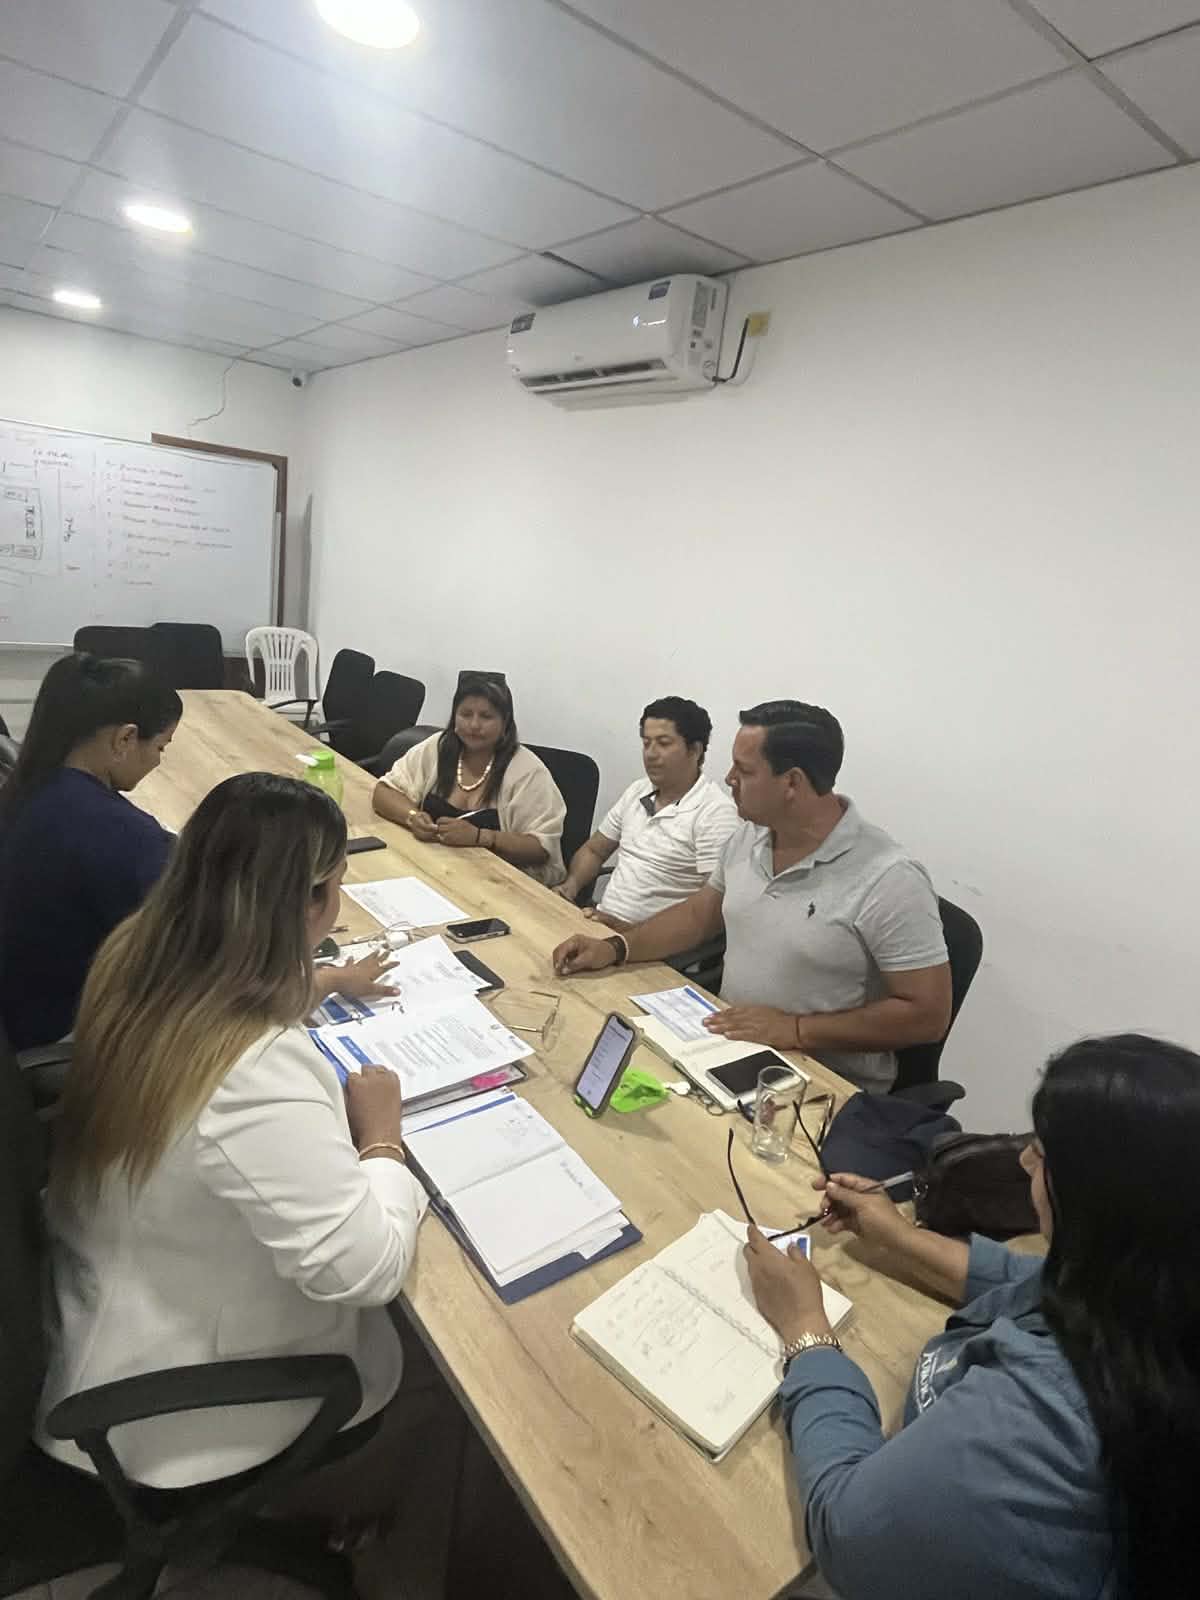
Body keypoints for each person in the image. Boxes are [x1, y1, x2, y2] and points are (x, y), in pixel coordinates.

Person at [38, 771, 428, 1501]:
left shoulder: (137, 954)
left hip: (100, 1305)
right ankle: (350, 1517)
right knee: (436, 1375)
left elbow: (230, 986)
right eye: (335, 888)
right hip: (166, 1414)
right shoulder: (253, 1066)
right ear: (309, 902)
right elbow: (366, 1271)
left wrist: (326, 983)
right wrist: (381, 1140)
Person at [742, 1033, 1200, 1599]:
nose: (1024, 1158)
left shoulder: (1039, 1423)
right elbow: (1023, 1278)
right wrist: (897, 1235)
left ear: (1100, 1202)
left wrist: (806, 1331)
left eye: (1044, 1153)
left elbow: (845, 1531)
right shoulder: (1152, 1283)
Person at [553, 700, 950, 1092]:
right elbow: (698, 916)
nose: (729, 779)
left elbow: (927, 1015)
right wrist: (616, 947)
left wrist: (796, 1029)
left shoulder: (889, 878)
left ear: (792, 783)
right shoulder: (750, 835)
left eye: (744, 770)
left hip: (822, 1081)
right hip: (727, 1042)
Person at [0, 653, 180, 1051]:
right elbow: (184, 965)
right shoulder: (122, 835)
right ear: (125, 739)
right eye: (161, 747)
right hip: (59, 1032)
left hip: (20, 1006)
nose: (158, 761)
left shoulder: (25, 789)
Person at [554, 695, 737, 928]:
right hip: (599, 923)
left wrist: (632, 933)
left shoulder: (715, 813)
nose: (650, 753)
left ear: (695, 750)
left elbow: (714, 911)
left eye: (663, 743)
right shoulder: (638, 790)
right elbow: (595, 850)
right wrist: (570, 887)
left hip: (655, 942)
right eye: (646, 743)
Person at [373, 674, 566, 887]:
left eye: (486, 717)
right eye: (465, 714)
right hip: (431, 870)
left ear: (505, 723)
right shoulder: (437, 747)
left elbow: (541, 848)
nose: (474, 725)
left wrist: (481, 837)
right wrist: (412, 817)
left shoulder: (528, 772)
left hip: (497, 884)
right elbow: (384, 791)